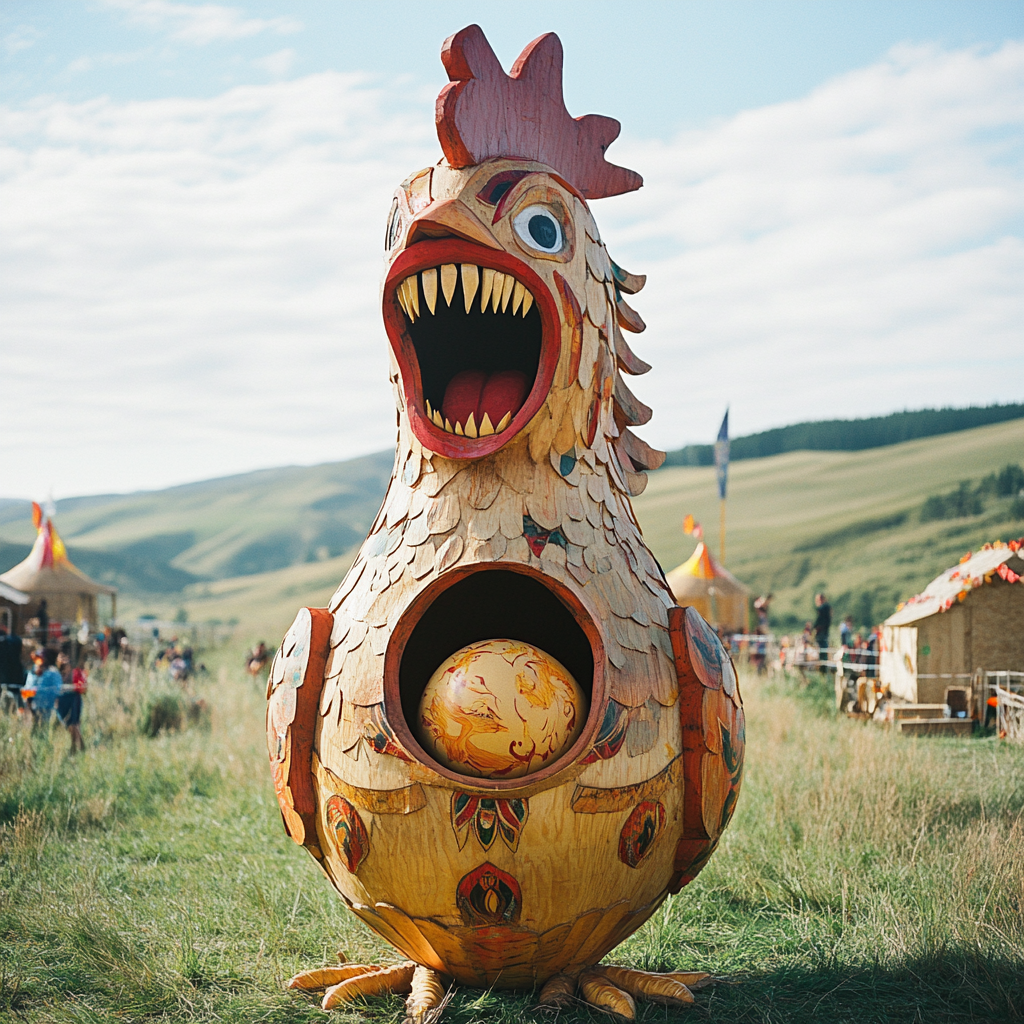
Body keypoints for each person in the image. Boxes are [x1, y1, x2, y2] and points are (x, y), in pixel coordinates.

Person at [57, 656, 86, 754]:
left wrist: (72, 688)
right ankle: (74, 746)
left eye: (67, 662)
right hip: (62, 701)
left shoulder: (75, 673)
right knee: (68, 725)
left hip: (73, 699)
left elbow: (82, 687)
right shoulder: (57, 675)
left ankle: (80, 746)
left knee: (75, 723)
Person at [27, 647, 62, 727]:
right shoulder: (33, 672)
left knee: (44, 730)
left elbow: (55, 691)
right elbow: (28, 687)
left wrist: (36, 692)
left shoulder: (53, 673)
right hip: (32, 708)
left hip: (47, 709)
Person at [0, 622, 24, 710]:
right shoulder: (13, 641)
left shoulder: (9, 641)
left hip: (6, 677)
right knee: (17, 701)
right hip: (14, 676)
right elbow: (18, 642)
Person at [813, 593, 832, 673]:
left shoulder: (823, 608)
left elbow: (819, 620)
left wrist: (815, 628)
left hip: (821, 633)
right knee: (823, 649)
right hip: (824, 632)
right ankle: (823, 666)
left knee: (822, 650)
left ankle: (822, 667)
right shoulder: (827, 608)